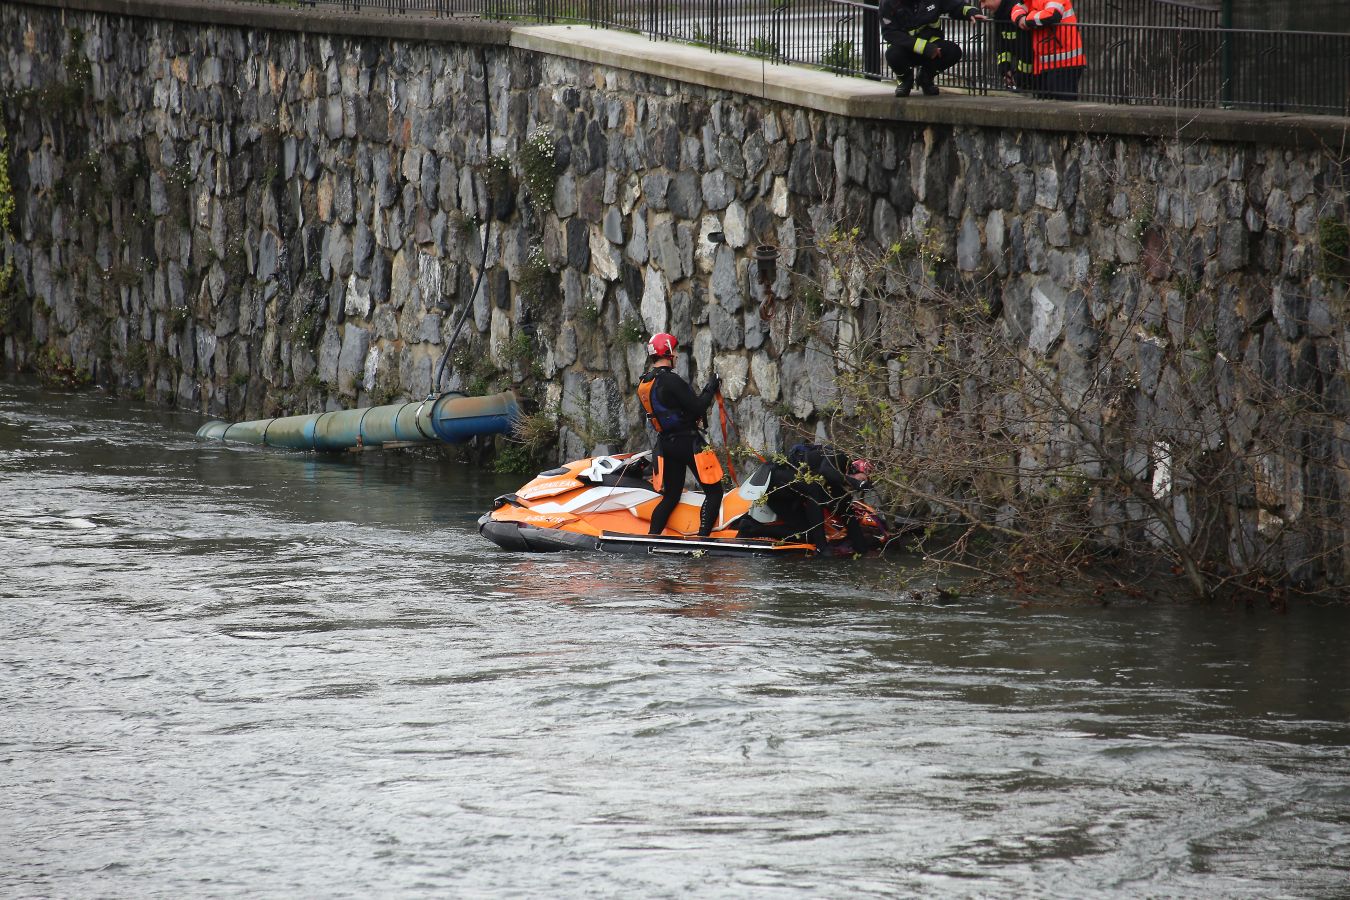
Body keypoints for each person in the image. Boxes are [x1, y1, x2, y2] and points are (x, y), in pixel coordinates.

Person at [637, 332, 722, 537]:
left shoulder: (644, 383)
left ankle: (652, 537)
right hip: (688, 443)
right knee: (714, 492)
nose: (675, 354)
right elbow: (697, 407)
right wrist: (711, 388)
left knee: (672, 495)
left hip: (666, 445)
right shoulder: (671, 381)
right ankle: (703, 539)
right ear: (666, 351)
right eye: (673, 351)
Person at [737, 443, 873, 553]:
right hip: (774, 480)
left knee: (808, 534)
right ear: (855, 469)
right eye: (863, 479)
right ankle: (822, 548)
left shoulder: (839, 484)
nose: (858, 487)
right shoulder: (840, 457)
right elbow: (827, 471)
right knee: (815, 488)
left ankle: (751, 528)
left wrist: (862, 549)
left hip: (786, 496)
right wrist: (857, 483)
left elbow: (848, 515)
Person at [879, 0, 989, 98]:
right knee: (892, 54)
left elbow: (955, 5)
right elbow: (890, 33)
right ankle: (905, 80)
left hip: (932, 45)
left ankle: (925, 78)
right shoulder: (888, 3)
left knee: (953, 52)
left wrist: (972, 12)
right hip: (906, 48)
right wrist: (925, 47)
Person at [1010, 0, 1085, 100]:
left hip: (1065, 63)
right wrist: (1020, 19)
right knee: (1045, 104)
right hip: (1045, 64)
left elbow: (1052, 15)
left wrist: (1027, 19)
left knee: (1063, 106)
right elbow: (1016, 9)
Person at [980, 0, 1035, 92]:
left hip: (1038, 77)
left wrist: (1020, 79)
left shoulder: (1018, 13)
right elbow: (1002, 47)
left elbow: (1027, 52)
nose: (982, 6)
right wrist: (1005, 70)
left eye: (984, 1)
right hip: (1025, 79)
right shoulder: (1000, 16)